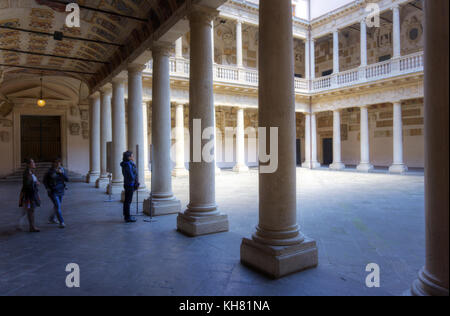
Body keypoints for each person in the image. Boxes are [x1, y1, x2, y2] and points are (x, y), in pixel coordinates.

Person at [43, 158, 69, 229]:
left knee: (57, 206)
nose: (58, 164)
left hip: (61, 190)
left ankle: (51, 219)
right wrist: (48, 188)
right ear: (53, 163)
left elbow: (67, 179)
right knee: (57, 206)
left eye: (59, 163)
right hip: (53, 191)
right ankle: (61, 222)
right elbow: (44, 181)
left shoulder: (62, 170)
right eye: (56, 163)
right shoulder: (49, 171)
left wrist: (61, 173)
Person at [19, 158, 41, 232]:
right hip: (29, 195)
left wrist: (36, 182)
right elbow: (27, 185)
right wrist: (35, 183)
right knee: (30, 210)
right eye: (32, 162)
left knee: (29, 210)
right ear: (28, 164)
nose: (34, 163)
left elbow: (31, 181)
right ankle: (32, 227)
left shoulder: (31, 172)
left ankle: (24, 225)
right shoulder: (27, 173)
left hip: (32, 194)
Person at [120, 151, 138, 223]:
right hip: (130, 184)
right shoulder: (128, 165)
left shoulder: (126, 164)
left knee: (127, 201)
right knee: (128, 201)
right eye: (132, 156)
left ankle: (127, 215)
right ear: (129, 157)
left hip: (127, 184)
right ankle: (127, 217)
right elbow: (131, 176)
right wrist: (135, 178)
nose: (133, 157)